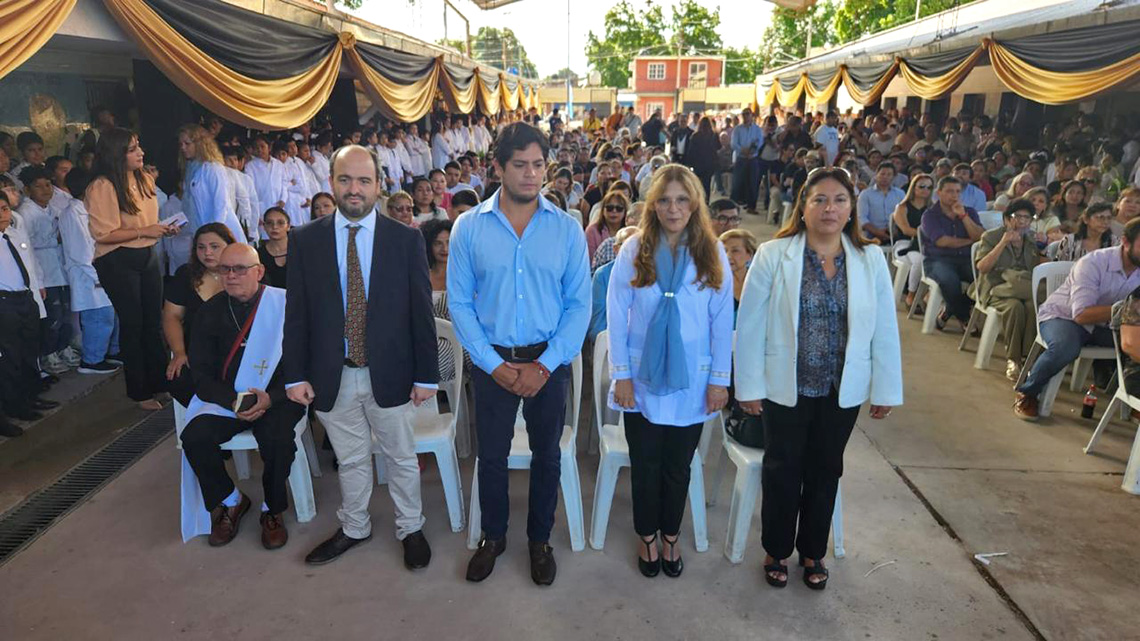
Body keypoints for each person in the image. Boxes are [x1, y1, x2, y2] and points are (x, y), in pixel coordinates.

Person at [735, 167, 902, 591]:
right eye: (820, 200)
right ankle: (776, 549)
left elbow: (884, 328)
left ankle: (813, 551)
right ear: (803, 207)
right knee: (781, 469)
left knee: (826, 470)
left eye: (840, 200)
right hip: (784, 385)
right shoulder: (774, 255)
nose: (830, 208)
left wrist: (885, 388)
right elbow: (750, 325)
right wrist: (748, 386)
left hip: (839, 389)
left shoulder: (869, 260)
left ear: (851, 209)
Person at [448, 122, 590, 586]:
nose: (531, 175)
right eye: (520, 165)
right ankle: (493, 537)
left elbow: (579, 305)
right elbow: (460, 304)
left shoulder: (567, 229)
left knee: (547, 456)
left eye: (538, 165)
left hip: (549, 362)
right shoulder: (469, 228)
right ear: (498, 167)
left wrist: (545, 365)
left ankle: (539, 540)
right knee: (491, 456)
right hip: (493, 361)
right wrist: (492, 365)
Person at [284, 145, 438, 570]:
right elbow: (296, 313)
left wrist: (426, 376)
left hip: (391, 372)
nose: (355, 189)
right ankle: (354, 526)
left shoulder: (405, 239)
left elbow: (421, 313)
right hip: (332, 374)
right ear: (331, 182)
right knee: (350, 459)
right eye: (346, 179)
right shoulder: (305, 240)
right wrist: (295, 374)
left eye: (364, 180)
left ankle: (410, 527)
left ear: (378, 185)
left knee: (401, 457)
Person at [606, 164, 733, 578]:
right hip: (641, 379)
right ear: (653, 205)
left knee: (678, 467)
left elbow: (721, 322)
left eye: (681, 199)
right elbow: (616, 314)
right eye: (664, 200)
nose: (673, 208)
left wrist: (719, 381)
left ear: (695, 203)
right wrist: (622, 375)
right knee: (645, 465)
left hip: (692, 381)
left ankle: (671, 535)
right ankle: (647, 536)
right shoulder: (634, 249)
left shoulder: (711, 252)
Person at [180, 244, 304, 549]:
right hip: (228, 400)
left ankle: (272, 509)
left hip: (279, 397)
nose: (231, 275)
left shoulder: (285, 304)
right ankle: (231, 500)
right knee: (194, 437)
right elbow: (201, 374)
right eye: (225, 269)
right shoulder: (209, 312)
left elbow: (304, 361)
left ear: (259, 272)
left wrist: (272, 398)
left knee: (276, 439)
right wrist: (233, 402)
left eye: (239, 269)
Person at [86, 127, 178, 410]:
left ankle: (161, 382)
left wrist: (163, 229)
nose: (141, 153)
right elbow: (104, 234)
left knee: (153, 322)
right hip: (117, 259)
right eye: (132, 149)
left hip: (147, 253)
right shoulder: (103, 186)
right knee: (133, 324)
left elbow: (147, 224)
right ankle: (140, 392)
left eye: (139, 146)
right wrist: (144, 231)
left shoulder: (144, 178)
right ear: (116, 154)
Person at [1014, 219, 1140, 420]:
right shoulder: (1094, 263)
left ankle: (1135, 400)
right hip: (1064, 317)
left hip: (1107, 325)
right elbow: (1081, 314)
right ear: (1125, 241)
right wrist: (1127, 309)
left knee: (1136, 345)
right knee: (1065, 347)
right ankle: (1028, 392)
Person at [0, 191, 55, 437]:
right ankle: (14, 405)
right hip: (4, 302)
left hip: (25, 297)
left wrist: (36, 287)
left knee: (28, 352)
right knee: (9, 357)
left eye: (5, 209)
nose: (3, 214)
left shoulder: (13, 234)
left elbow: (30, 262)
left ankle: (30, 397)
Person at [164, 223, 234, 406]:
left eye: (214, 246)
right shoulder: (185, 274)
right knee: (178, 379)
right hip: (197, 352)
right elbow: (171, 316)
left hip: (235, 351)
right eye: (201, 247)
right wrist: (179, 352)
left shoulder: (242, 274)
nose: (207, 253)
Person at [58, 168, 119, 375]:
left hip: (99, 272)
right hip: (89, 276)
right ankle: (92, 360)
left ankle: (110, 352)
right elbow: (81, 253)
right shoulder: (72, 214)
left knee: (109, 315)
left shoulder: (87, 210)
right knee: (98, 318)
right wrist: (98, 276)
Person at [972, 199, 1041, 380]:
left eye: (1027, 217)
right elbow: (982, 268)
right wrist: (1003, 242)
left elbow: (1034, 270)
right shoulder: (991, 237)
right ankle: (1014, 359)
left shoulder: (1030, 240)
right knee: (1014, 307)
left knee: (1032, 307)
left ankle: (1028, 358)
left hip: (1020, 288)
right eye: (1018, 216)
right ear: (1007, 219)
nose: (1023, 221)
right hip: (994, 287)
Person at [18, 166, 74, 374]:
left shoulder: (53, 208)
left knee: (66, 312)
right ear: (27, 190)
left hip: (59, 268)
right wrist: (38, 281)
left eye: (48, 185)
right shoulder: (25, 213)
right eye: (38, 186)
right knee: (53, 315)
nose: (45, 190)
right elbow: (28, 249)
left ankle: (63, 347)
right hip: (43, 269)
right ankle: (49, 353)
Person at [920, 176, 984, 331]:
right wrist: (969, 241)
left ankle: (949, 310)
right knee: (949, 281)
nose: (954, 195)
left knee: (984, 280)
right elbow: (942, 241)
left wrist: (963, 216)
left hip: (966, 259)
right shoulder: (929, 215)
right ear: (939, 193)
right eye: (949, 191)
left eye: (957, 191)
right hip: (937, 259)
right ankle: (964, 317)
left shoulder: (969, 212)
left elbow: (980, 237)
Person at [178, 125, 246, 244]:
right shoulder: (190, 169)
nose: (183, 148)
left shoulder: (213, 168)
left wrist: (214, 233)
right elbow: (189, 206)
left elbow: (221, 204)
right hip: (202, 232)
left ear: (200, 144)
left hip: (220, 232)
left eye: (187, 143)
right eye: (181, 144)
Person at [892, 174, 935, 309]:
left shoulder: (933, 208)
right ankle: (911, 295)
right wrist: (930, 235)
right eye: (922, 186)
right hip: (904, 244)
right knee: (919, 260)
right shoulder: (902, 207)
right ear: (913, 187)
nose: (925, 190)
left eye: (929, 187)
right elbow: (906, 230)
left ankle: (928, 295)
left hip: (927, 244)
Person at [588, 226, 637, 343]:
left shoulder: (652, 273)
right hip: (610, 339)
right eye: (628, 245)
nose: (635, 250)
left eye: (639, 245)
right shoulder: (602, 275)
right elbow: (597, 323)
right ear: (616, 249)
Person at [244, 136, 288, 233]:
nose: (260, 150)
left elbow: (284, 183)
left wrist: (283, 199)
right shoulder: (250, 166)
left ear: (269, 147)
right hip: (261, 207)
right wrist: (255, 213)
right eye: (257, 147)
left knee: (279, 232)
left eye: (262, 146)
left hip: (278, 204)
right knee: (264, 234)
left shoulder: (279, 164)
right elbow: (249, 189)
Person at [857, 163, 905, 245]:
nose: (885, 177)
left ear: (893, 177)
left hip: (896, 235)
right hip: (871, 236)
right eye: (882, 174)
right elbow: (861, 217)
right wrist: (877, 232)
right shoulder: (866, 194)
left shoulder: (900, 194)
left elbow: (904, 215)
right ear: (876, 175)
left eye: (889, 174)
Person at [720, 228, 758, 322]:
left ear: (749, 254)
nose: (728, 256)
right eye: (724, 251)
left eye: (735, 251)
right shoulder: (714, 284)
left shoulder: (759, 281)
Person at [730, 109, 763, 213]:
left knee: (753, 183)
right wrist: (742, 150)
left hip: (753, 158)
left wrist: (752, 151)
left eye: (747, 114)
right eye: (744, 114)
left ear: (751, 116)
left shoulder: (757, 129)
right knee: (737, 183)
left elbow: (759, 142)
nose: (746, 116)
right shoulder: (737, 129)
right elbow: (734, 143)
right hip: (741, 158)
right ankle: (732, 207)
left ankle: (751, 207)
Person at [586, 190, 629, 267]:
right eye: (609, 208)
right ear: (603, 210)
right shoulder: (592, 231)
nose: (614, 211)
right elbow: (589, 261)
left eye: (619, 208)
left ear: (625, 211)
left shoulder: (630, 232)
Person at [683, 116, 720, 201]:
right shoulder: (714, 135)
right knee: (707, 184)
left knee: (698, 184)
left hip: (698, 164)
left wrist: (689, 164)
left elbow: (691, 152)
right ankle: (706, 201)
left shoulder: (695, 136)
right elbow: (718, 147)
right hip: (710, 164)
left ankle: (698, 201)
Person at [257, 207, 290, 288]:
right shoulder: (258, 255)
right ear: (264, 226)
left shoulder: (300, 251)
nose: (274, 227)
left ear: (288, 226)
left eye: (280, 223)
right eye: (269, 223)